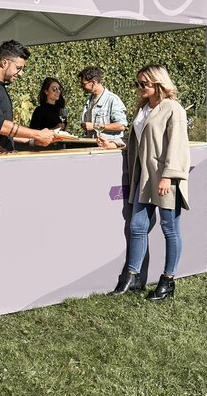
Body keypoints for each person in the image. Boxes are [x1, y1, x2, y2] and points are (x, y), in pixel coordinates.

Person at [100, 64, 190, 301]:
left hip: (163, 178)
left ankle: (168, 281)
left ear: (158, 84)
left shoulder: (172, 108)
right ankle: (132, 278)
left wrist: (168, 176)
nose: (139, 88)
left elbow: (177, 145)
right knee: (137, 226)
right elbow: (142, 143)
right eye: (137, 83)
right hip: (144, 178)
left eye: (144, 84)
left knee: (169, 228)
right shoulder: (143, 109)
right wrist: (118, 144)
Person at [0, 40, 55, 152]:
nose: (20, 73)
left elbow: (6, 133)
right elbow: (1, 126)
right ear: (4, 63)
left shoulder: (0, 87)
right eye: (18, 68)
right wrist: (38, 134)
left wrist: (32, 140)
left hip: (6, 157)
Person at [78, 66, 127, 140]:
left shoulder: (112, 100)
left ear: (94, 82)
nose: (82, 87)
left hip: (108, 148)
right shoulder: (88, 100)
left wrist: (95, 126)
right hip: (92, 146)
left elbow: (121, 126)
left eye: (84, 84)